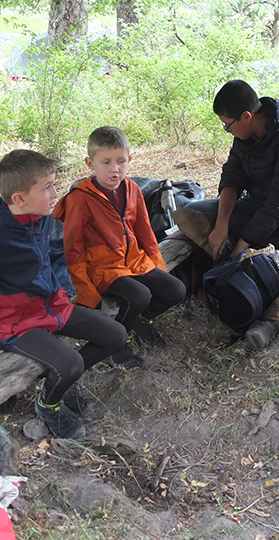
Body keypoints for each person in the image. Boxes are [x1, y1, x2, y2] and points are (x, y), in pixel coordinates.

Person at [0, 149, 128, 440]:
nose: (56, 193)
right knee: (71, 364)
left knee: (115, 335)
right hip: (15, 324)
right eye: (47, 187)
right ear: (19, 199)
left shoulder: (39, 216)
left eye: (54, 184)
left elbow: (46, 259)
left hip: (50, 307)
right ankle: (49, 403)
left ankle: (60, 385)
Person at [174, 79, 279, 349]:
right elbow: (232, 177)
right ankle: (234, 271)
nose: (227, 130)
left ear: (247, 116)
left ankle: (273, 318)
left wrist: (243, 243)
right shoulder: (244, 136)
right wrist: (221, 225)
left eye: (227, 124)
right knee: (191, 213)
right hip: (255, 205)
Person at [54, 126, 187, 365]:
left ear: (129, 160)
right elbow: (73, 248)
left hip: (134, 262)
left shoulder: (132, 188)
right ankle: (119, 342)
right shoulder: (80, 198)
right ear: (90, 162)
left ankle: (142, 321)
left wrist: (157, 268)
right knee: (140, 295)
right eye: (106, 162)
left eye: (121, 161)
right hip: (104, 269)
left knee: (175, 290)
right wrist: (85, 291)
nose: (114, 169)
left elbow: (145, 231)